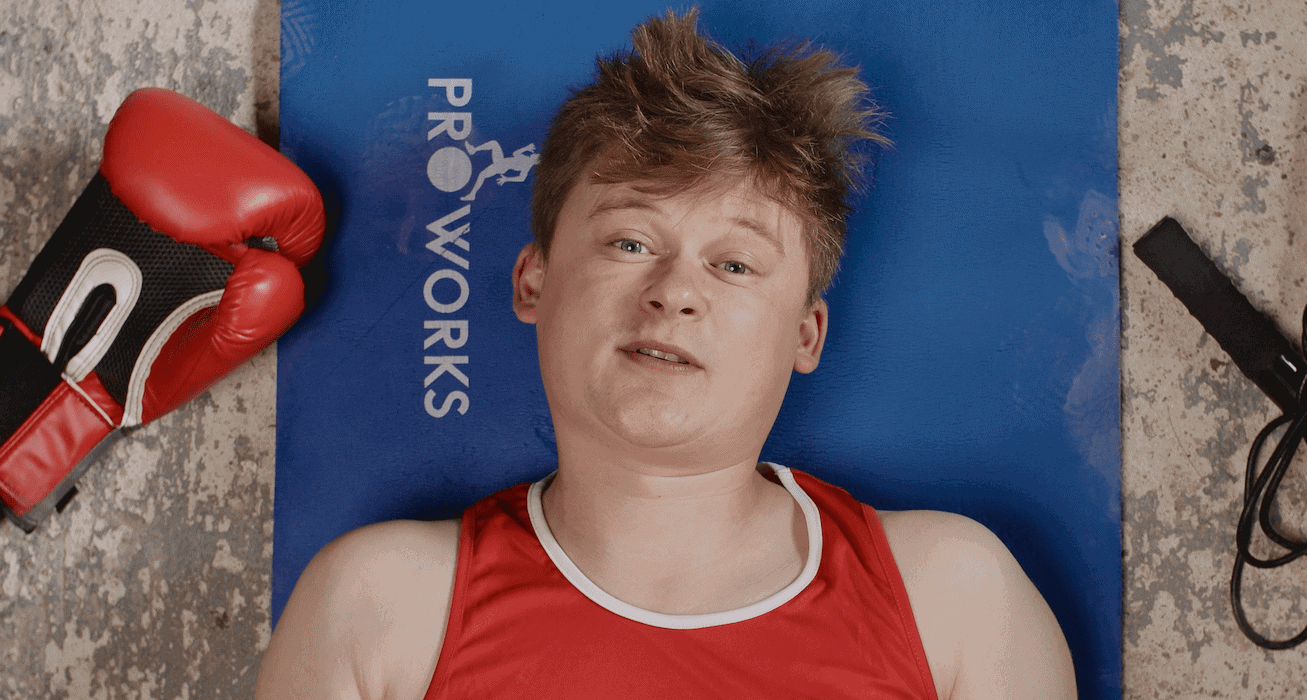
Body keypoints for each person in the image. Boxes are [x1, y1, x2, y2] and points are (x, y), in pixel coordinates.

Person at [256, 9, 1076, 699]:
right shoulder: (380, 608)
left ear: (805, 334)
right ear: (533, 281)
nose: (676, 291)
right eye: (629, 240)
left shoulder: (954, 601)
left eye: (735, 264)